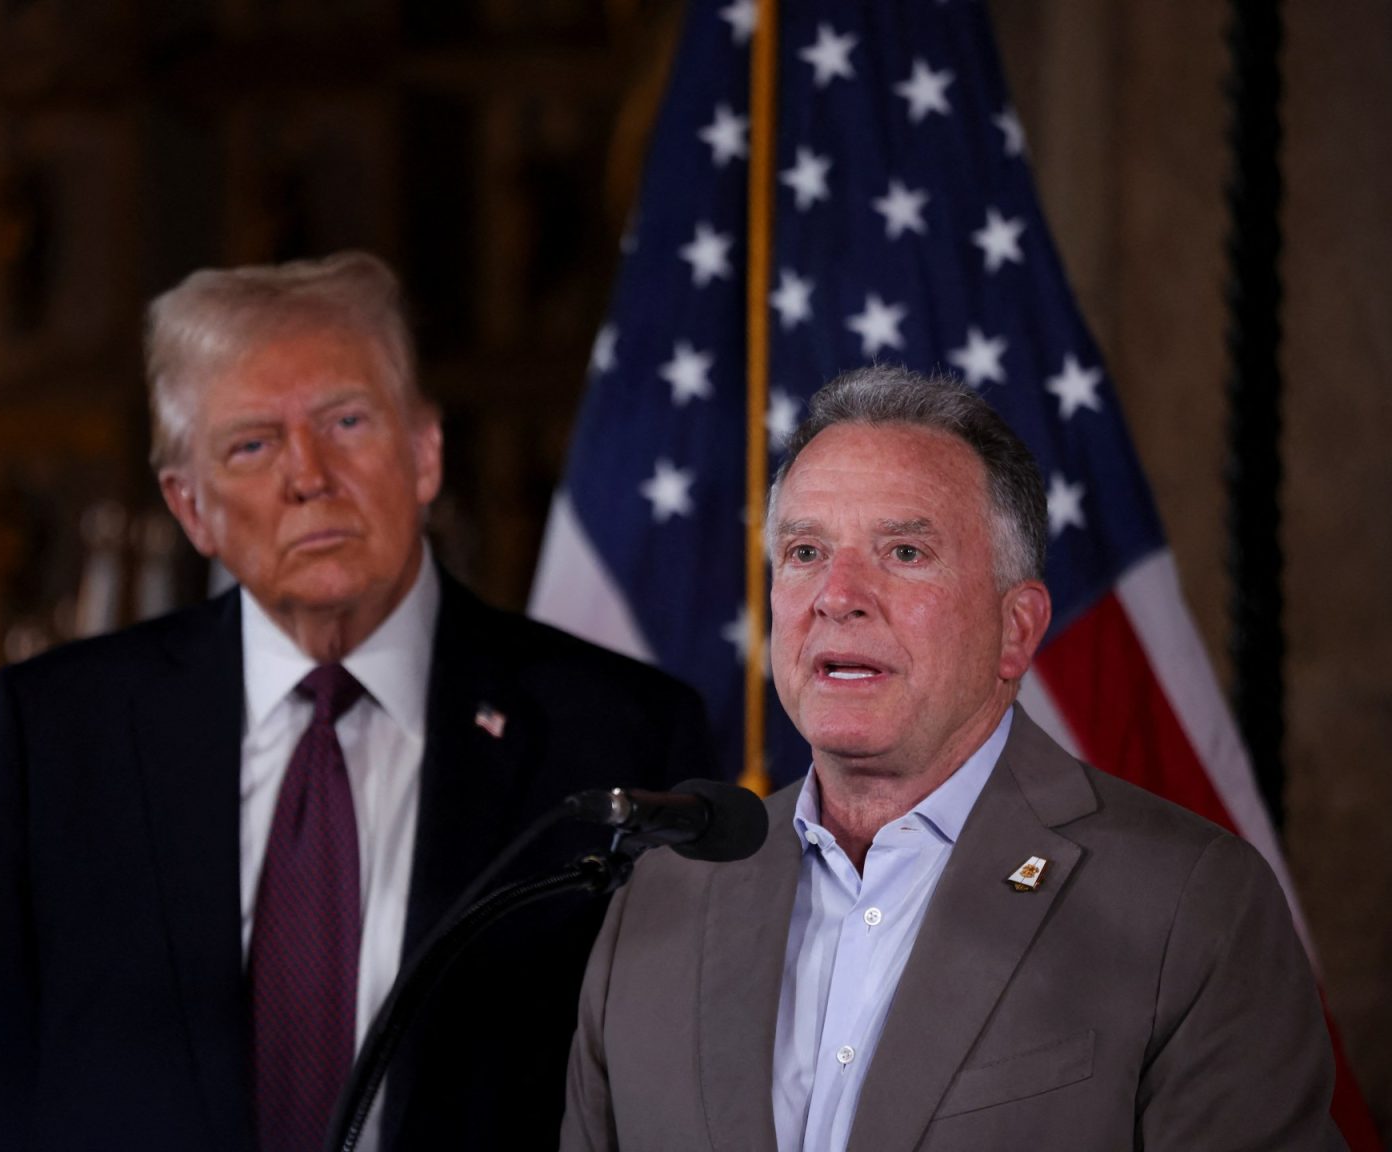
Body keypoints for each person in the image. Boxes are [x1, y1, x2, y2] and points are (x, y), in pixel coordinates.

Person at [0, 251, 717, 1152]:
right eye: (252, 444)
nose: (308, 474)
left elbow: (678, 1097)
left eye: (346, 421)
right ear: (190, 507)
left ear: (424, 452)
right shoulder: (59, 733)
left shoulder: (621, 732)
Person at [561, 365, 1345, 1152]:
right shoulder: (662, 898)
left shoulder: (1190, 905)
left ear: (1016, 629)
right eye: (805, 551)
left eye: (904, 551)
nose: (837, 595)